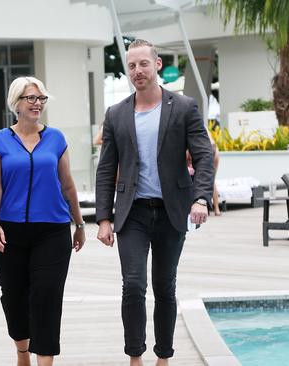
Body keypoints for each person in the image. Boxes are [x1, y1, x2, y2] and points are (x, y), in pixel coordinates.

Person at [95, 39, 214, 366]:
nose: (137, 71)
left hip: (170, 212)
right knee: (133, 285)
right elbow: (106, 168)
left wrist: (201, 197)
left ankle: (163, 357)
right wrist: (104, 218)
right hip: (131, 213)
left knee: (164, 287)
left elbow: (204, 156)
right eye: (131, 66)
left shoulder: (184, 106)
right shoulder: (116, 114)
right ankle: (136, 357)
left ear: (157, 65)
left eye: (143, 64)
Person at [0, 76, 85, 366]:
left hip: (52, 232)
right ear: (16, 103)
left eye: (41, 98)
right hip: (9, 232)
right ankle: (21, 351)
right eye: (31, 98)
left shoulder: (56, 138)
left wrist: (78, 224)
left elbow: (67, 185)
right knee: (14, 297)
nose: (37, 103)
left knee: (47, 297)